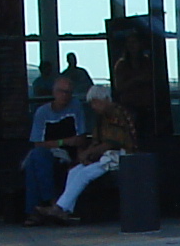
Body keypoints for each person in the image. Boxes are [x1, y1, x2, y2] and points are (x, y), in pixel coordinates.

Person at [42, 85, 140, 224]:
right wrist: (87, 156)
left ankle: (59, 207)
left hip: (122, 156)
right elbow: (97, 141)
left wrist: (89, 153)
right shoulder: (101, 117)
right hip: (105, 156)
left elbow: (112, 143)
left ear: (105, 99)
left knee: (84, 174)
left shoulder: (116, 113)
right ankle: (66, 211)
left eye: (95, 102)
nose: (93, 106)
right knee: (74, 171)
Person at [20, 69, 90, 219]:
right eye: (61, 91)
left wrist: (79, 156)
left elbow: (81, 138)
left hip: (67, 155)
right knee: (37, 156)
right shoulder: (42, 112)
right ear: (54, 92)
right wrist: (63, 141)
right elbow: (37, 143)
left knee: (34, 160)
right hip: (49, 153)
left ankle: (34, 212)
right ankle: (54, 204)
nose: (64, 95)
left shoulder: (75, 106)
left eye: (68, 92)